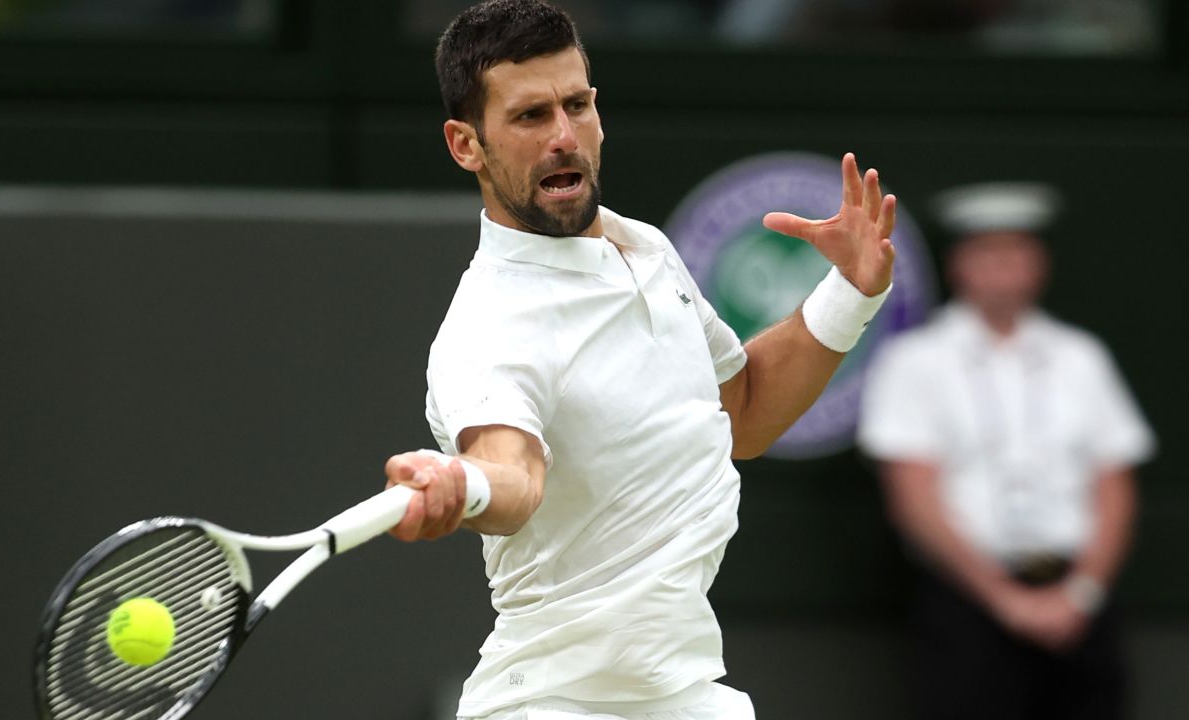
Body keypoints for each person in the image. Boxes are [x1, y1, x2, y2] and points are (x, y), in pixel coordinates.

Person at [380, 1, 896, 718]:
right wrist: (462, 483)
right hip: (552, 706)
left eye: (578, 105)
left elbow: (742, 411)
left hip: (682, 693)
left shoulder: (643, 247)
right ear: (466, 144)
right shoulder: (488, 327)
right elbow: (515, 475)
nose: (565, 136)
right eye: (530, 116)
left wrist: (850, 294)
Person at [858, 182, 1156, 720]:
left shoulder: (1081, 357)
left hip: (1079, 603)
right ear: (959, 266)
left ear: (1039, 263)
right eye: (987, 253)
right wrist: (1002, 598)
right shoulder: (915, 362)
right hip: (966, 607)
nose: (1004, 267)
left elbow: (1114, 484)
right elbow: (914, 497)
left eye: (1017, 252)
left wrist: (1082, 592)